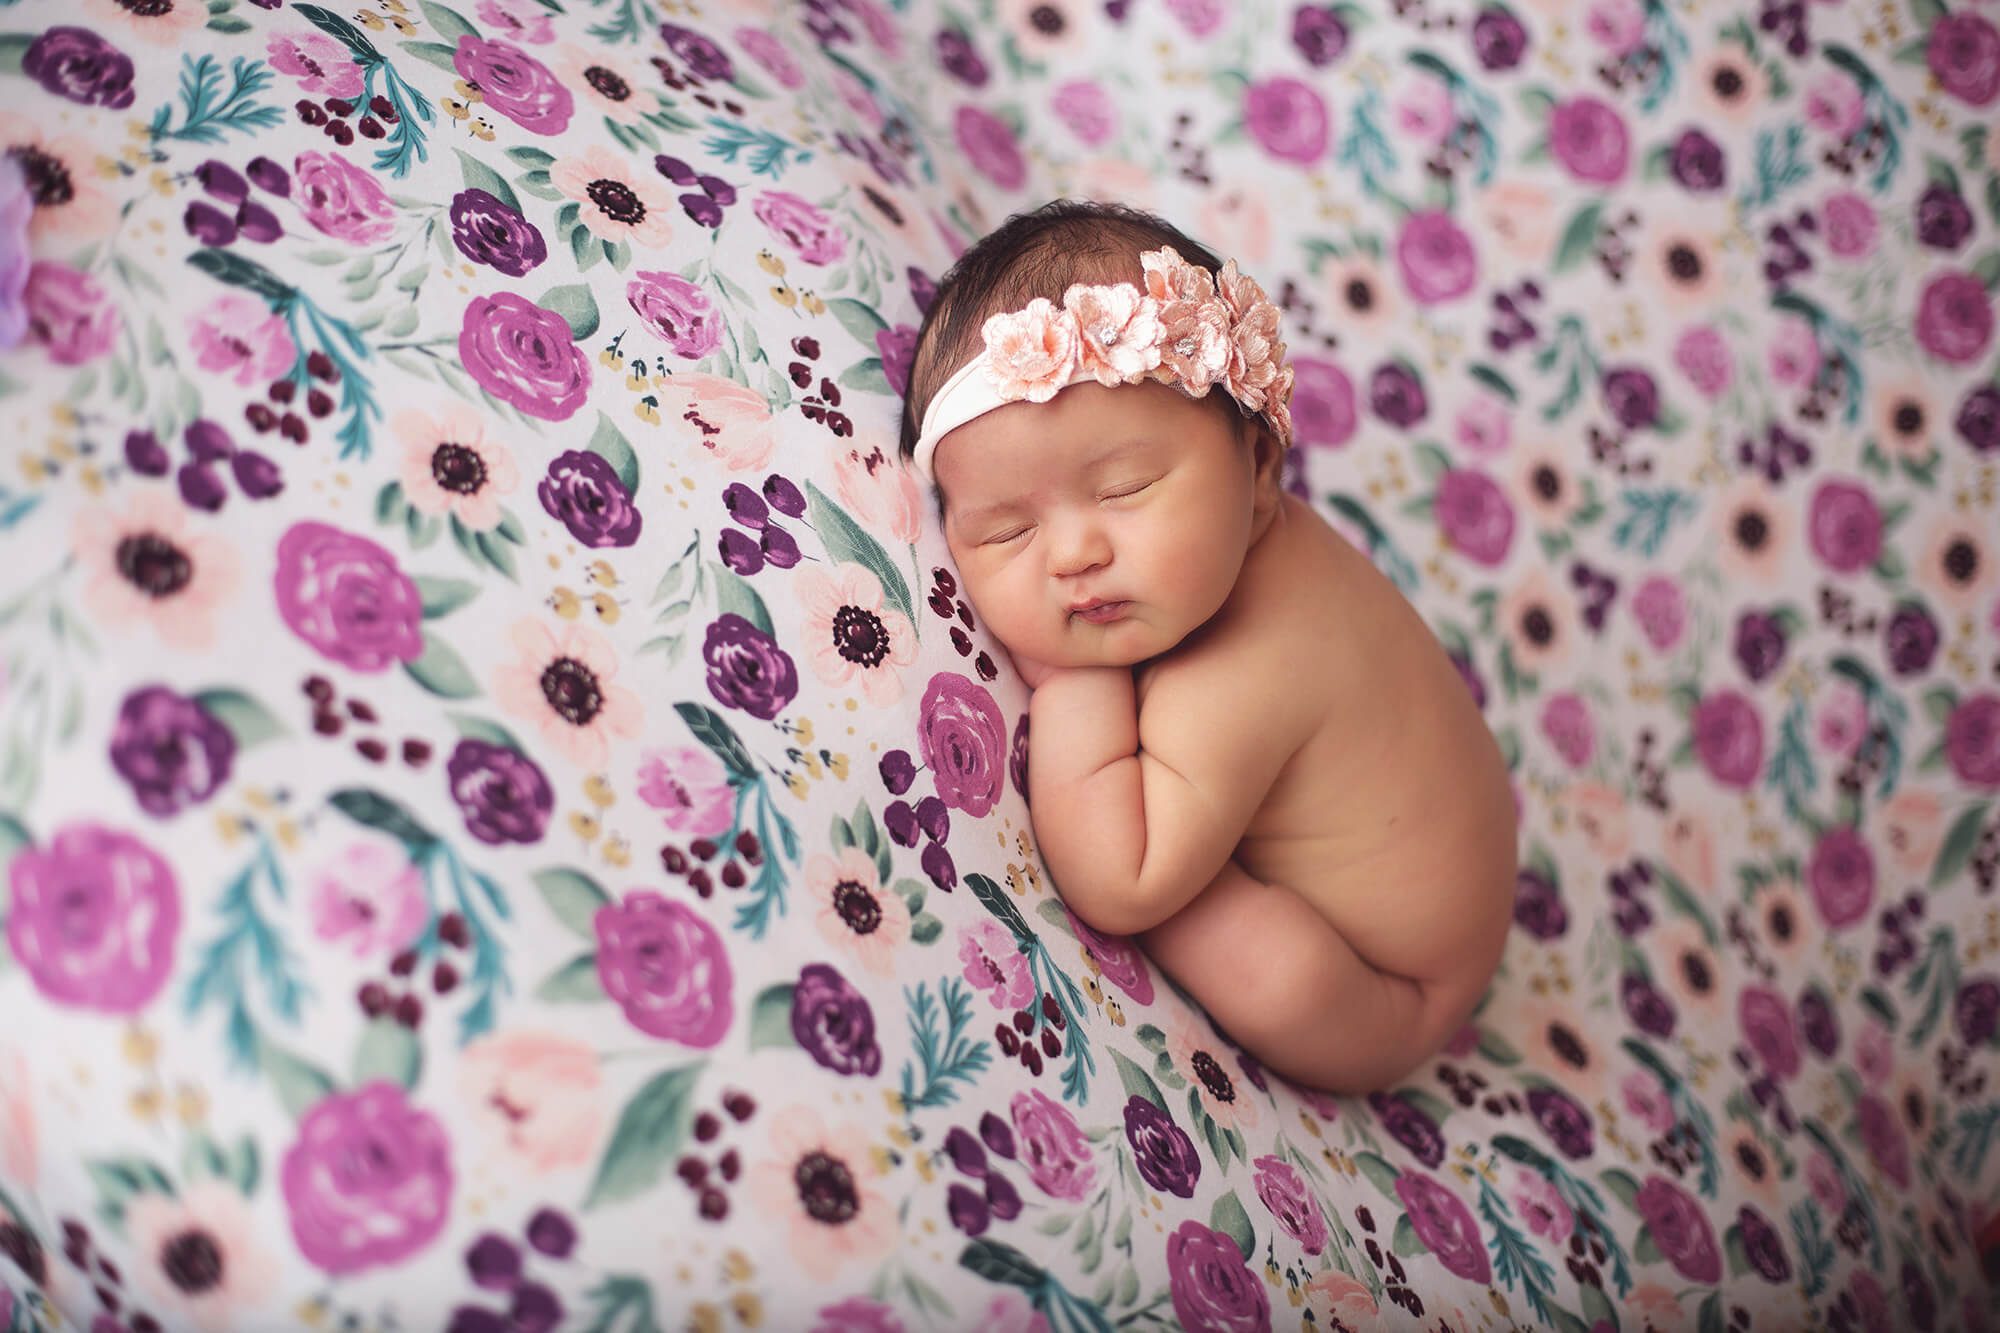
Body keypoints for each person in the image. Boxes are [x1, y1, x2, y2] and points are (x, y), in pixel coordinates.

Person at [898, 200, 1517, 1093]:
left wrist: (1076, 682)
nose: (1075, 554)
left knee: (1263, 960)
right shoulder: (1207, 564)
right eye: (1005, 533)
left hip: (1389, 985)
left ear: (1260, 473)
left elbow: (1119, 877)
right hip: (1438, 863)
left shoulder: (1252, 656)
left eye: (1126, 488)